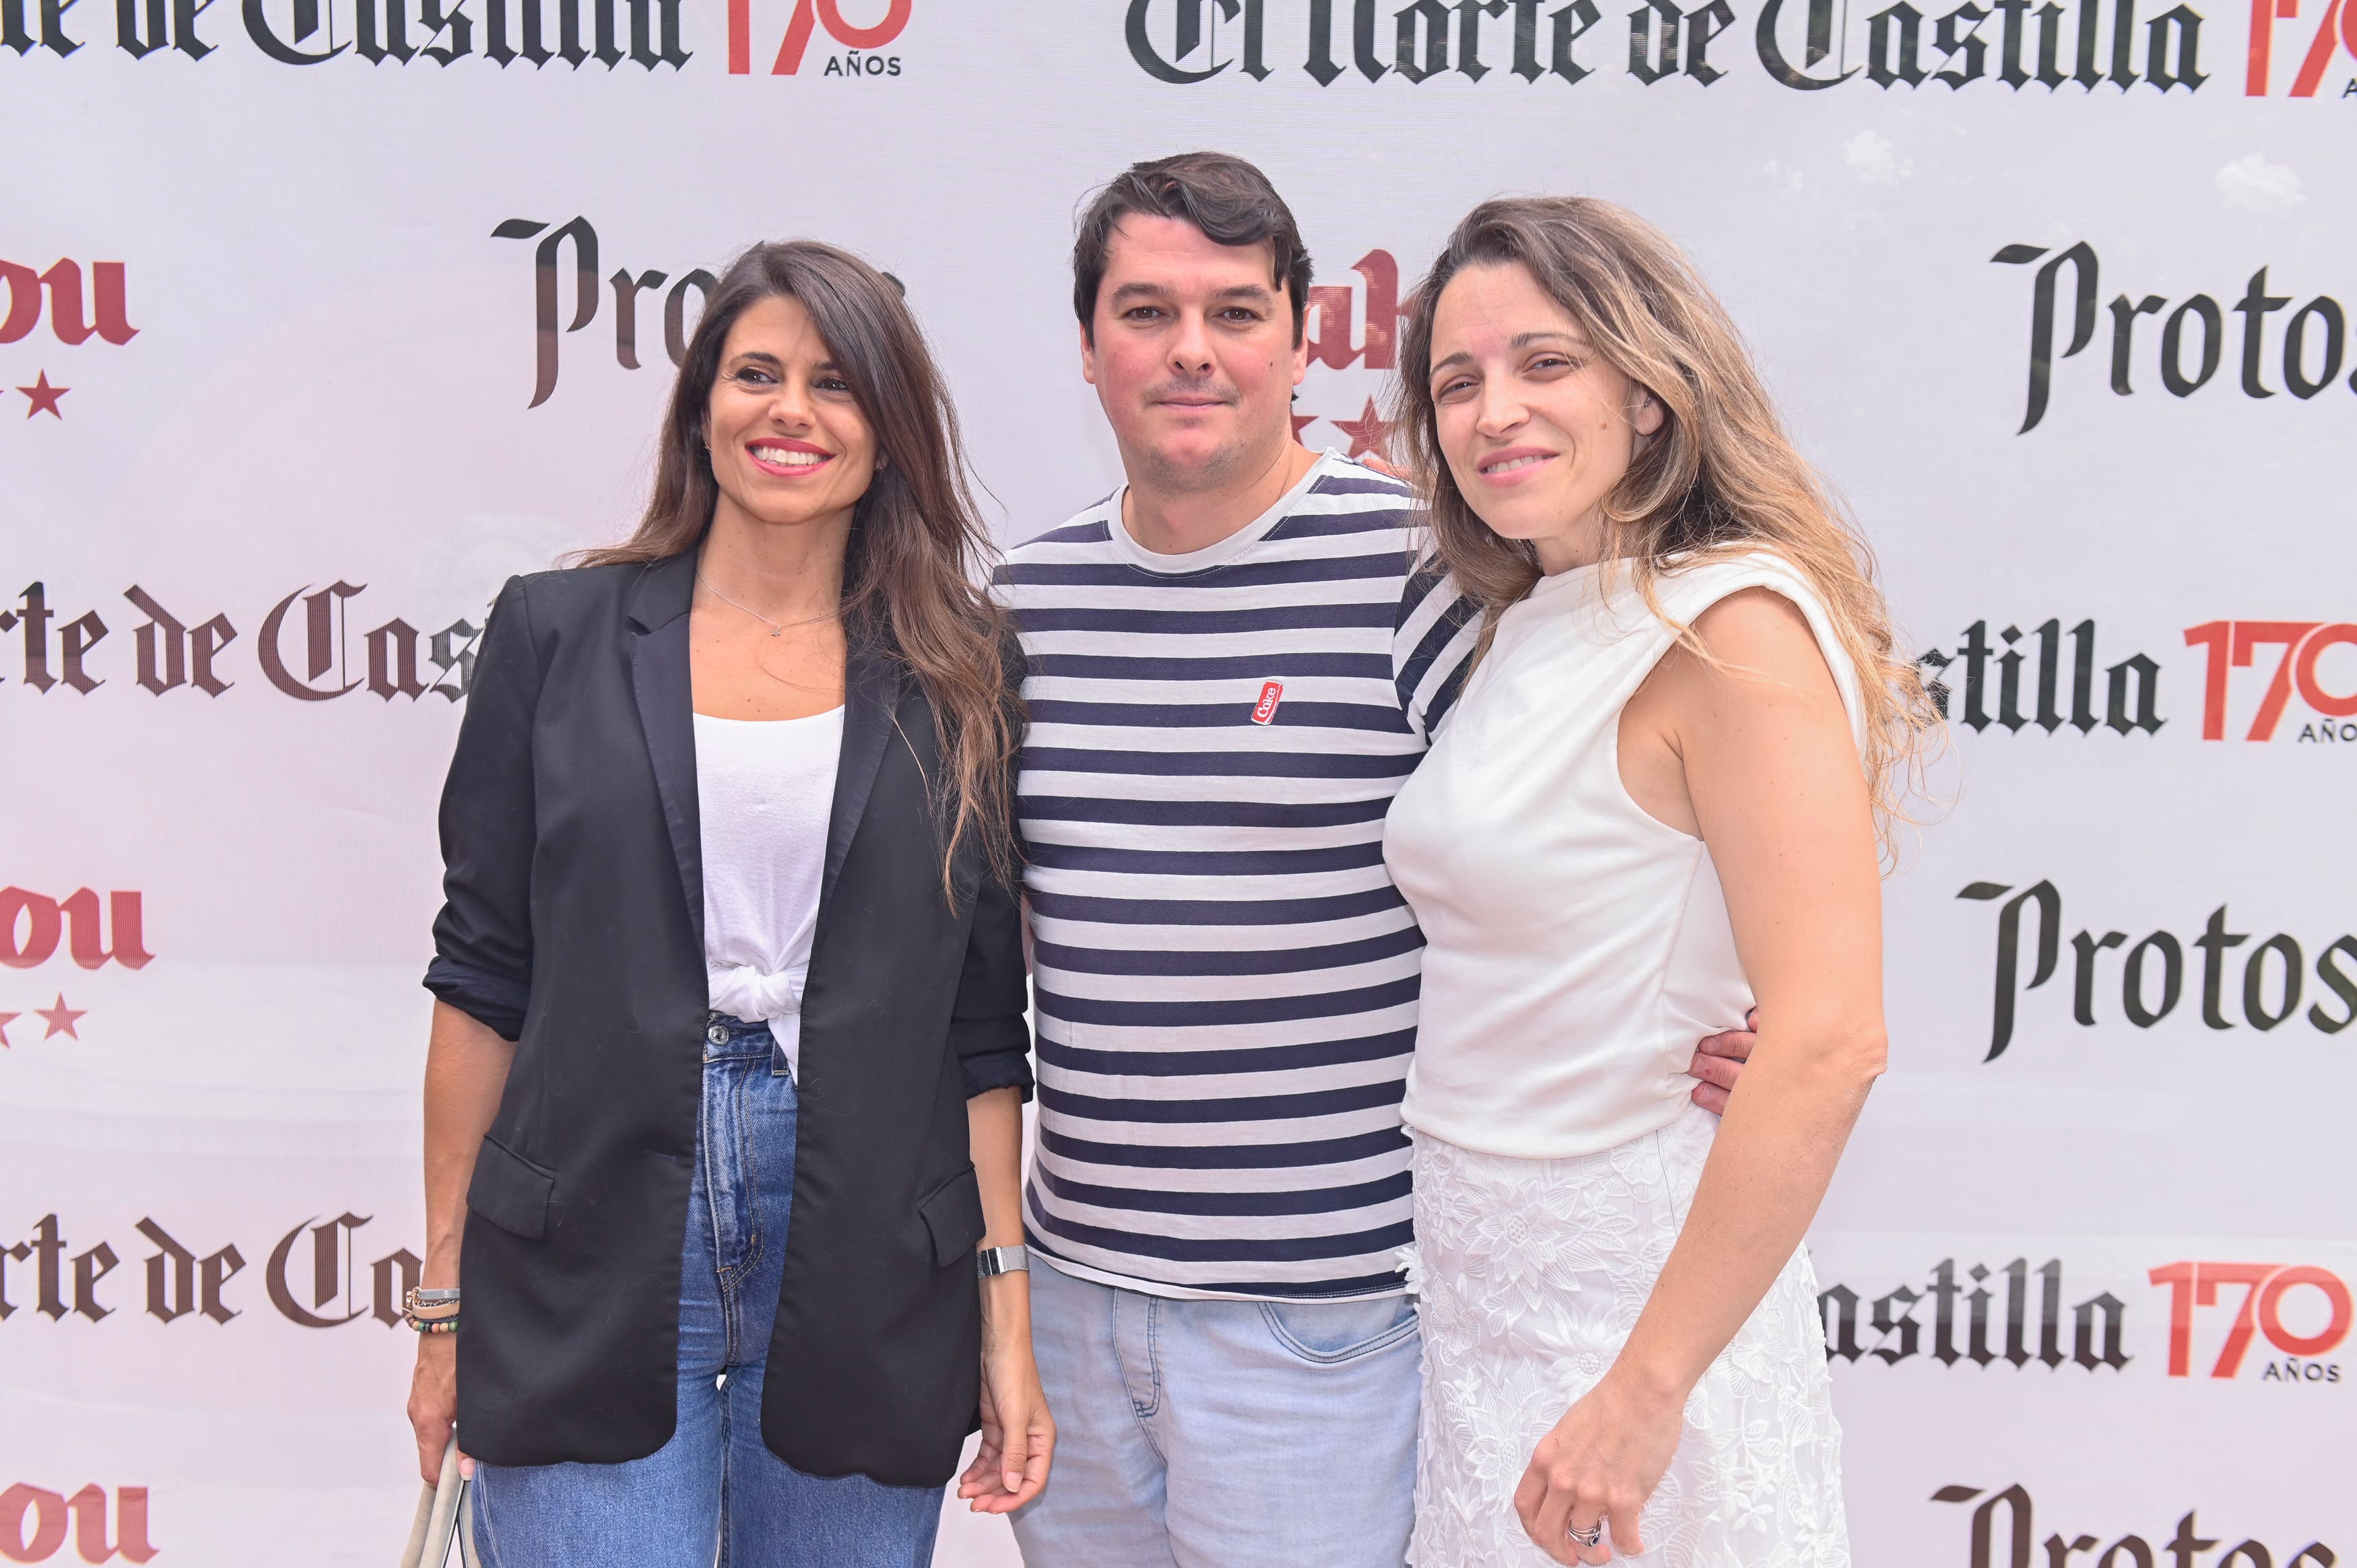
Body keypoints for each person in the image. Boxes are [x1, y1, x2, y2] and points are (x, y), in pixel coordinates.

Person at [995, 152, 1760, 1568]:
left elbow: (1600, 829)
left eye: (1234, 312)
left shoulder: (1428, 572)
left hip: (1326, 1320)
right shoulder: (1019, 601)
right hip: (1074, 1302)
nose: (1191, 352)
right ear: (1087, 344)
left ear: (1301, 334)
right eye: (1145, 312)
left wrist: (1739, 1008)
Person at [401, 239, 1053, 1568]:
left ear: (890, 425)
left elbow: (983, 1036)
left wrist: (1006, 1329)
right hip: (583, 1233)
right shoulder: (553, 635)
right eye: (755, 373)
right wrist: (442, 1304)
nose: (789, 411)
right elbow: (481, 983)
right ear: (703, 405)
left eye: (835, 381)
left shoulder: (965, 668)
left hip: (872, 1250)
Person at [1383, 196, 1939, 1565]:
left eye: (1544, 362)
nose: (1493, 410)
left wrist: (1645, 1393)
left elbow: (1827, 1036)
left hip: (1637, 1336)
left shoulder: (1733, 627)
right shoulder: (1531, 619)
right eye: (1458, 382)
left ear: (1648, 388)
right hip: (1485, 1324)